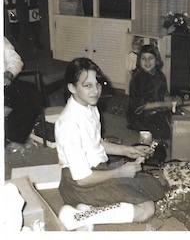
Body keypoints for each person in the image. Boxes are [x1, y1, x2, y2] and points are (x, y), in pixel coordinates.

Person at [55, 57, 165, 231]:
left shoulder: (89, 107)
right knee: (147, 209)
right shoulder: (68, 124)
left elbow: (95, 143)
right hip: (79, 184)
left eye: (97, 84)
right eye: (87, 85)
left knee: (152, 186)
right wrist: (119, 172)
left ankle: (88, 209)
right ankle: (77, 217)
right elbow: (82, 179)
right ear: (71, 87)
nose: (95, 91)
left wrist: (127, 150)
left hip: (98, 170)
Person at [126, 44, 181, 140]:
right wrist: (163, 104)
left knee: (179, 121)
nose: (147, 62)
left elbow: (164, 95)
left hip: (157, 110)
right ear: (139, 61)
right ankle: (136, 126)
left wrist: (174, 100)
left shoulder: (160, 75)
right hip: (140, 114)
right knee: (165, 132)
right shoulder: (137, 79)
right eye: (143, 58)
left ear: (157, 60)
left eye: (151, 58)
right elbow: (139, 106)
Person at [4, 36, 42, 153]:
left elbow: (15, 59)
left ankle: (13, 138)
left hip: (5, 84)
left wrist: (9, 73)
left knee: (33, 95)